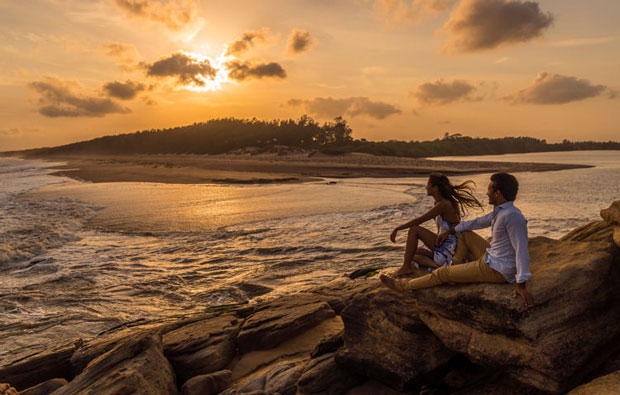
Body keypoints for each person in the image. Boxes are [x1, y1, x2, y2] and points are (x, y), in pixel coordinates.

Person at [381, 172, 534, 308]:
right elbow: (478, 222)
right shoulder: (501, 212)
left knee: (443, 273)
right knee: (464, 233)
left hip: (497, 270)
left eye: (489, 190)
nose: (487, 193)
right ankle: (456, 267)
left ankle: (403, 286)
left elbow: (521, 250)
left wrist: (521, 285)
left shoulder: (512, 217)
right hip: (492, 257)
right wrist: (451, 230)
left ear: (498, 193)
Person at [390, 173, 483, 278]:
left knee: (414, 230)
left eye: (428, 184)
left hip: (450, 245)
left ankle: (405, 268)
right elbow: (441, 228)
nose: (426, 187)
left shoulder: (444, 204)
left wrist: (397, 229)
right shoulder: (438, 203)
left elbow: (420, 220)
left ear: (435, 188)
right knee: (412, 253)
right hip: (444, 242)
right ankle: (436, 267)